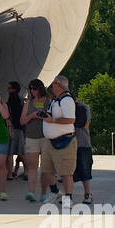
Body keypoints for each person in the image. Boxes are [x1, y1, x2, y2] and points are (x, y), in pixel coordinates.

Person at [40, 75, 77, 206]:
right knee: (46, 168)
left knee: (66, 171)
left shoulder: (66, 100)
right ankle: (55, 192)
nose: (52, 85)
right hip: (50, 140)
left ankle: (68, 198)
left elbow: (71, 120)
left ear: (58, 85)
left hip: (64, 140)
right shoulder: (56, 100)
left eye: (54, 83)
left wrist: (53, 120)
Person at [21, 79, 47, 200]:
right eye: (30, 89)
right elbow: (22, 121)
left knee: (45, 167)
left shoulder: (48, 102)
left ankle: (44, 193)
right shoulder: (28, 103)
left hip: (46, 137)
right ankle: (31, 192)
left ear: (40, 88)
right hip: (31, 137)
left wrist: (44, 116)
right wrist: (32, 115)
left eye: (34, 88)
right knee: (32, 166)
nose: (32, 91)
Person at [73, 98, 93, 205]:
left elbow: (86, 124)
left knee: (81, 170)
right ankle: (87, 194)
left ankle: (87, 194)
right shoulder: (84, 107)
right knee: (71, 172)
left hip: (77, 143)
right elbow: (86, 124)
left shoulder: (82, 107)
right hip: (83, 143)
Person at [7, 82, 27, 179]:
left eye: (9, 87)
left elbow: (10, 114)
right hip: (20, 128)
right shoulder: (20, 99)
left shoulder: (12, 98)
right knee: (21, 152)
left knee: (9, 153)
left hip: (13, 128)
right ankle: (27, 172)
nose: (8, 89)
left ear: (14, 89)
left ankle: (9, 174)